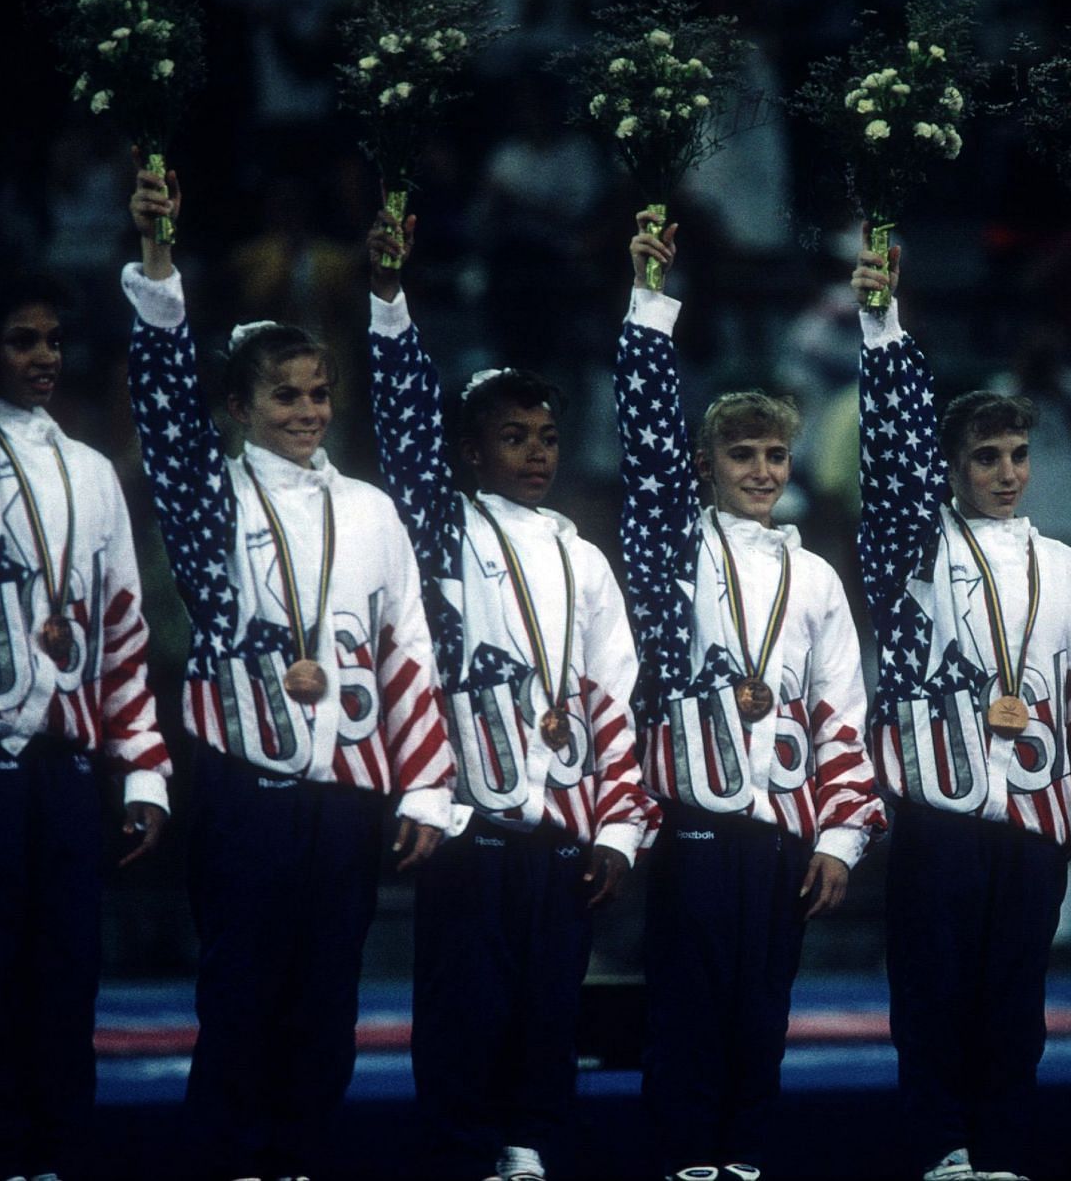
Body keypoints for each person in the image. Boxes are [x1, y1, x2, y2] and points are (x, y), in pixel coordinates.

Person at [123, 161, 455, 1181]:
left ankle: (302, 1157)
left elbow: (410, 645)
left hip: (350, 781)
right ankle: (229, 1158)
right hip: (242, 778)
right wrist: (157, 264)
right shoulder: (208, 494)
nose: (306, 411)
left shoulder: (371, 508)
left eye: (318, 394)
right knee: (242, 987)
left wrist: (430, 780)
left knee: (327, 990)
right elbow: (165, 411)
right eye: (284, 396)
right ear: (239, 404)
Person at [0, 48, 171, 1181]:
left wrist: (144, 771)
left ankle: (59, 1153)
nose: (44, 357)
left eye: (53, 340)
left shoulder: (95, 471)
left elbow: (125, 635)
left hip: (67, 747)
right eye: (20, 340)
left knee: (67, 967)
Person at [365, 197, 660, 1181]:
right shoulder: (441, 530)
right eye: (511, 437)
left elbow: (615, 693)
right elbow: (404, 426)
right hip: (471, 825)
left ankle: (531, 1147)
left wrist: (618, 828)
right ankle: (458, 1150)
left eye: (544, 436)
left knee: (548, 1003)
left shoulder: (583, 557)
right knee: (464, 1005)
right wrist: (389, 302)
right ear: (469, 451)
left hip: (563, 828)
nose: (534, 452)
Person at [853, 236, 1071, 1181]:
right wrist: (881, 325)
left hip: (1032, 822)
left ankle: (1002, 1152)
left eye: (1020, 455)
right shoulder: (916, 551)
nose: (1010, 472)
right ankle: (940, 1150)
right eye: (987, 457)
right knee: (934, 1001)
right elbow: (891, 461)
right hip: (940, 819)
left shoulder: (1066, 568)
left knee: (1015, 1003)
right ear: (952, 467)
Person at [615, 210, 886, 1181]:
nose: (765, 473)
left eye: (776, 457)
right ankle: (687, 1158)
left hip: (780, 833)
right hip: (695, 821)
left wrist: (840, 835)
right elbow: (644, 453)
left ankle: (743, 1158)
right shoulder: (671, 553)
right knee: (688, 1007)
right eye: (744, 457)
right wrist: (649, 303)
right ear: (705, 467)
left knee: (760, 1010)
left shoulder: (813, 576)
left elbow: (842, 713)